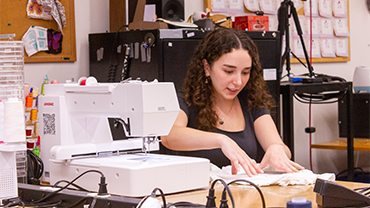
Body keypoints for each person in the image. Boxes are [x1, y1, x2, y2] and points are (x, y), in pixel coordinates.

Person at [161, 28, 304, 176]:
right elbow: (169, 136)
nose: (238, 81)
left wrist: (277, 148)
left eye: (245, 72)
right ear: (206, 67)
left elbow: (282, 149)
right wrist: (221, 140)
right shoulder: (186, 101)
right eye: (229, 71)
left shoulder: (251, 103)